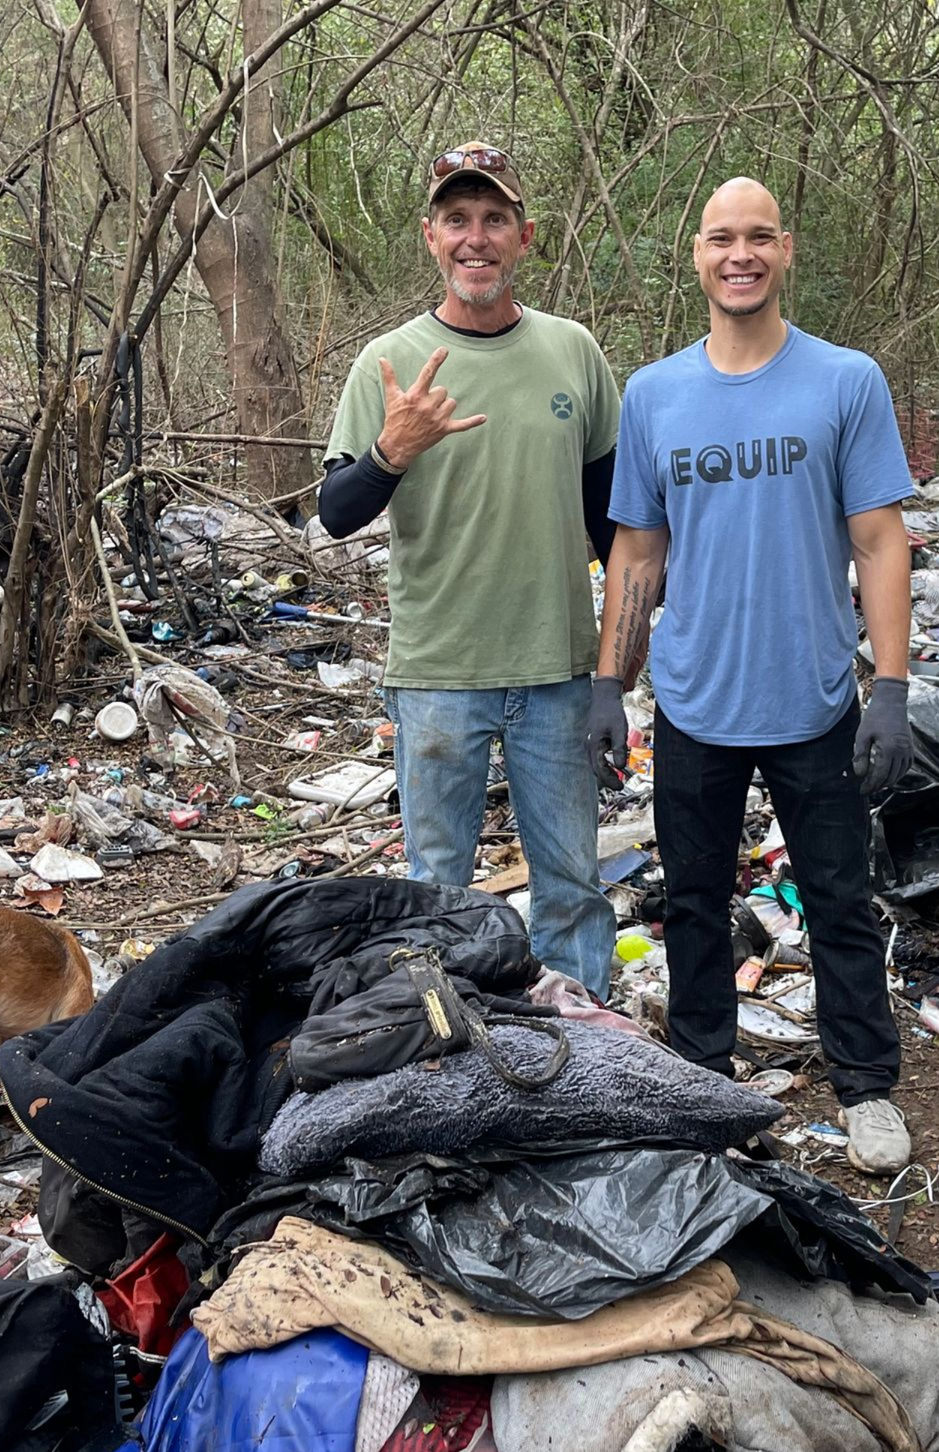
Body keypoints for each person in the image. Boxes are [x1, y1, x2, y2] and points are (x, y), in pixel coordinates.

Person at [587, 177, 916, 1174]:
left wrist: (892, 687)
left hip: (812, 692)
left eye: (759, 236)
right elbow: (637, 553)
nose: (742, 254)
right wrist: (611, 680)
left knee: (839, 896)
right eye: (722, 238)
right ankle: (701, 1077)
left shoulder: (844, 382)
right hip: (694, 697)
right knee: (690, 901)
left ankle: (866, 1085)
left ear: (786, 250)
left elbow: (880, 538)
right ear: (698, 255)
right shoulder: (654, 394)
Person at [317, 142, 619, 996]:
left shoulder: (574, 353)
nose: (475, 238)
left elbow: (613, 524)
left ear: (525, 237)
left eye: (493, 220)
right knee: (437, 890)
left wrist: (617, 673)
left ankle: (586, 1065)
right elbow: (335, 513)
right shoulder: (388, 363)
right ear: (430, 236)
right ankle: (450, 1058)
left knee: (571, 888)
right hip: (438, 673)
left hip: (557, 670)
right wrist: (389, 452)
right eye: (457, 220)